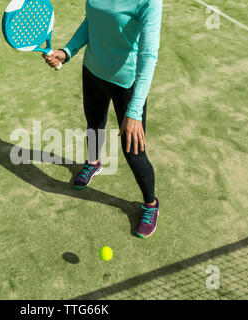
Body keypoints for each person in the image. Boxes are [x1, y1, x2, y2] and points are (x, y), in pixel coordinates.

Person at [43, 0, 163, 238]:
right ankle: (94, 163)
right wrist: (67, 52)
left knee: (133, 152)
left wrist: (134, 111)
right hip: (92, 72)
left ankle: (151, 205)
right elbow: (92, 22)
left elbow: (148, 55)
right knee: (94, 125)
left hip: (126, 83)